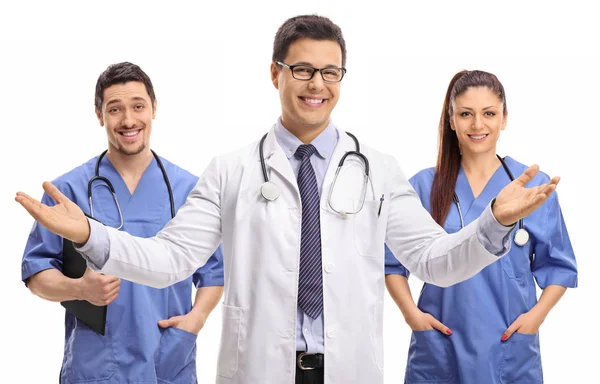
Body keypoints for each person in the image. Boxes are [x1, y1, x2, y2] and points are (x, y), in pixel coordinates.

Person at [16, 17, 559, 384]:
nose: (315, 83)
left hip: (347, 369)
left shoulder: (379, 169)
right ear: (275, 73)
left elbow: (435, 264)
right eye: (301, 69)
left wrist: (491, 222)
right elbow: (170, 261)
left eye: (330, 71)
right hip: (259, 369)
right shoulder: (230, 170)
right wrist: (89, 235)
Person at [20, 62, 224, 384]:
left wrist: (196, 319)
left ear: (154, 109)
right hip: (97, 364)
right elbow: (36, 273)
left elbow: (214, 272)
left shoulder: (190, 190)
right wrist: (79, 289)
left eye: (138, 106)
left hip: (168, 360)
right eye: (115, 109)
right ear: (100, 115)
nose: (128, 120)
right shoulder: (69, 191)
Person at [384, 70, 578, 384]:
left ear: (503, 118)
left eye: (488, 113)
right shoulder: (423, 186)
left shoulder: (532, 187)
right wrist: (411, 315)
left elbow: (558, 266)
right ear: (451, 120)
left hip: (508, 346)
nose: (477, 125)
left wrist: (535, 319)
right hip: (441, 343)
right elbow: (391, 262)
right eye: (465, 114)